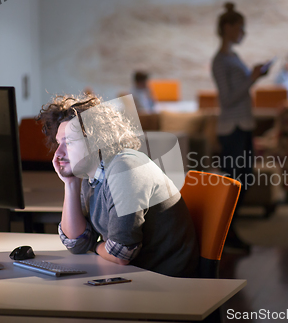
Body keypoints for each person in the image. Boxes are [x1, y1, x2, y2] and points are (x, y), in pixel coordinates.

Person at [36, 94, 199, 278]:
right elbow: (76, 243)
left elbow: (121, 253)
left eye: (70, 142)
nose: (58, 153)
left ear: (95, 140)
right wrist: (70, 184)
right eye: (59, 143)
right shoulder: (92, 175)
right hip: (138, 274)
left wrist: (94, 246)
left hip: (167, 281)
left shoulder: (125, 168)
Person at [211, 2, 268, 253]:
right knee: (235, 182)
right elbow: (227, 98)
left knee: (245, 179)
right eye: (240, 28)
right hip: (231, 127)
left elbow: (239, 91)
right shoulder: (220, 60)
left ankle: (228, 231)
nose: (243, 32)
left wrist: (253, 77)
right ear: (228, 27)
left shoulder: (233, 57)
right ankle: (225, 233)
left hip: (243, 125)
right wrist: (252, 79)